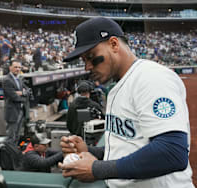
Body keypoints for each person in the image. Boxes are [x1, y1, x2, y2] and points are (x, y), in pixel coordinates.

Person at [59, 17, 194, 188]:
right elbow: (128, 145)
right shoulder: (120, 84)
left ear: (114, 44)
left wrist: (97, 169)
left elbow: (172, 152)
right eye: (84, 60)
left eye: (91, 57)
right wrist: (89, 151)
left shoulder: (150, 77)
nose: (87, 67)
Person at [2, 61, 26, 145]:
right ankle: (7, 155)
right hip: (12, 112)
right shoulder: (7, 80)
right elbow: (14, 96)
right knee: (11, 136)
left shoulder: (19, 79)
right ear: (10, 68)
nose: (18, 69)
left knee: (17, 136)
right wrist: (22, 95)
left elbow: (26, 92)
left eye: (19, 67)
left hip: (20, 110)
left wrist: (22, 93)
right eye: (15, 67)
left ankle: (14, 153)